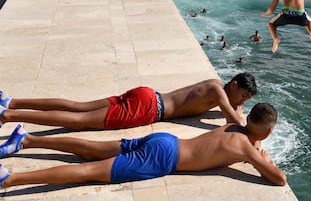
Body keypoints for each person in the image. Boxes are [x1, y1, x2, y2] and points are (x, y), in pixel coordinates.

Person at [0, 103, 286, 190]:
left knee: (91, 148)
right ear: (269, 131)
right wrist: (266, 159)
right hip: (164, 158)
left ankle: (27, 139)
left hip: (164, 140)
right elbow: (278, 180)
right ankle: (10, 179)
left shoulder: (234, 124)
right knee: (88, 170)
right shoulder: (248, 148)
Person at [0, 73, 257, 131]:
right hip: (148, 109)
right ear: (233, 85)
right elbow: (237, 124)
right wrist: (241, 112)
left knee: (79, 106)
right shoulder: (220, 94)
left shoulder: (214, 83)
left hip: (147, 94)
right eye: (243, 95)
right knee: (79, 121)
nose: (241, 101)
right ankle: (8, 116)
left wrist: (237, 104)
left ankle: (11, 102)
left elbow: (227, 107)